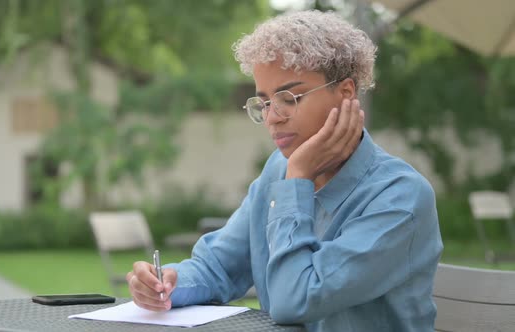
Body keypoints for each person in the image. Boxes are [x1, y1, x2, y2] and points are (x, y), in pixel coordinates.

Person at [126, 9, 443, 332]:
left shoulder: (400, 198)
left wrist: (299, 179)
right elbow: (218, 266)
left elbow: (295, 300)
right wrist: (167, 284)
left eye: (289, 98)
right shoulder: (280, 170)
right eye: (263, 102)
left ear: (346, 93)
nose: (272, 117)